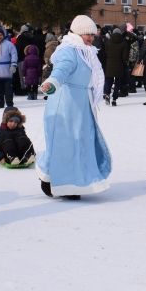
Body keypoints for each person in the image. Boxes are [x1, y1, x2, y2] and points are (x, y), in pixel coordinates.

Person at [38, 15, 112, 200]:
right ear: (78, 32)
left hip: (81, 103)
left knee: (81, 142)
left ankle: (66, 181)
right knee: (67, 143)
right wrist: (52, 82)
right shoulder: (69, 50)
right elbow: (61, 69)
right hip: (66, 104)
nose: (91, 38)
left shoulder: (86, 51)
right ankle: (64, 185)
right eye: (88, 34)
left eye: (93, 35)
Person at [103, 30, 128, 105]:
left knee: (108, 81)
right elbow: (125, 57)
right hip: (119, 65)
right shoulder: (124, 43)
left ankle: (107, 93)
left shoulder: (108, 42)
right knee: (118, 83)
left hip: (109, 64)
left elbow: (105, 53)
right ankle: (114, 99)